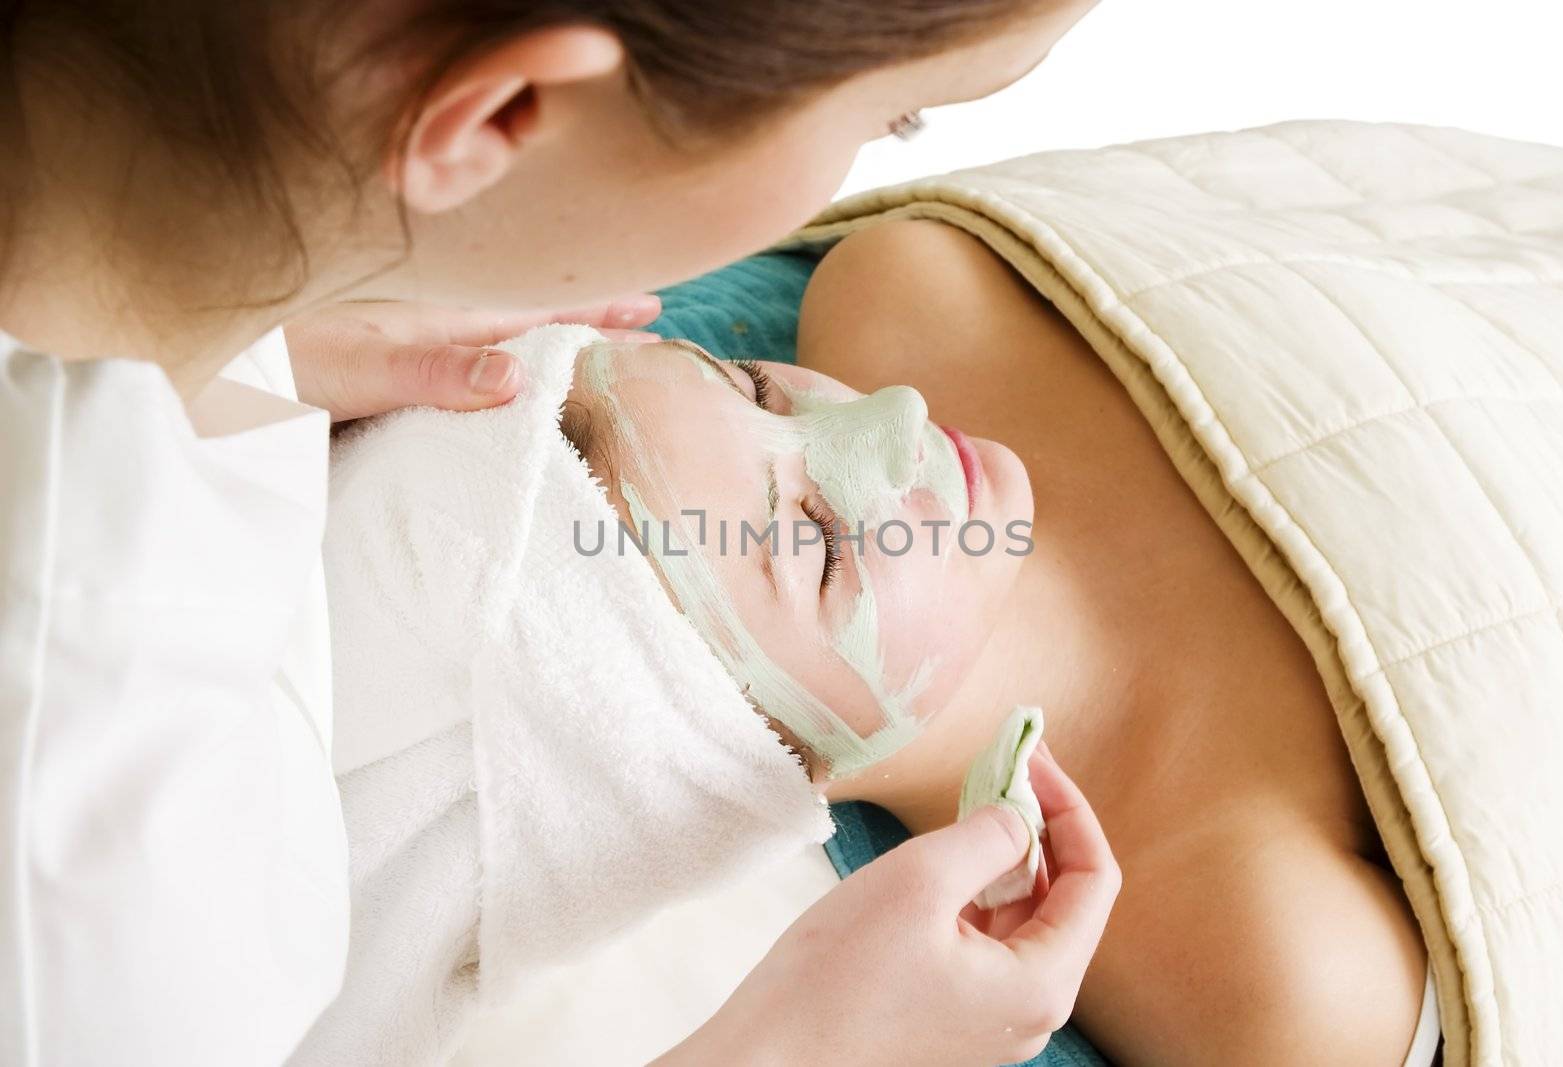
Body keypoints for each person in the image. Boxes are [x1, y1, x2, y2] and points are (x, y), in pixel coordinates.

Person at [0, 2, 1115, 1065]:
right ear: (500, 113)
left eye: (751, 377)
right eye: (894, 119)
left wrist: (250, 346)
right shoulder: (105, 920)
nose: (901, 415)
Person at [554, 219, 1442, 1066]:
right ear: (753, 773)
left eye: (751, 384)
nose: (892, 419)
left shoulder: (906, 287)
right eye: (818, 540)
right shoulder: (1267, 970)